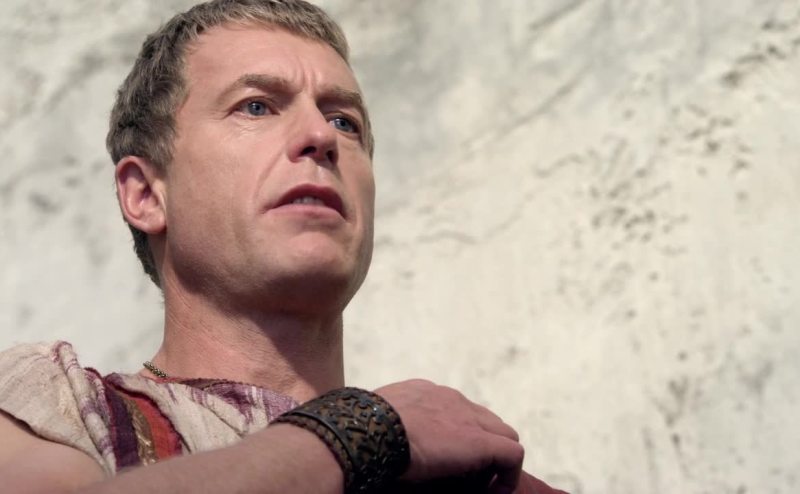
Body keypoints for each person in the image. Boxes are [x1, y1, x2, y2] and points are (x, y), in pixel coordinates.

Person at [0, 1, 567, 492]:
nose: (320, 137)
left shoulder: (473, 470)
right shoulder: (53, 406)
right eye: (257, 106)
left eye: (344, 121)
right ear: (146, 195)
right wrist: (358, 433)